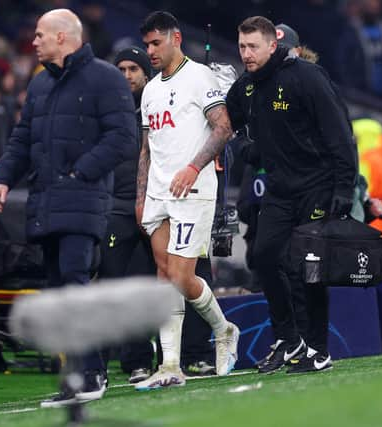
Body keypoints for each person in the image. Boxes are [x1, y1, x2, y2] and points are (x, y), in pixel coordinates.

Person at [0, 9, 136, 407]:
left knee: (74, 283)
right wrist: (2, 177)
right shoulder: (39, 86)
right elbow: (22, 138)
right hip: (45, 201)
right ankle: (75, 377)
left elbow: (124, 137)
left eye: (39, 35)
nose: (33, 42)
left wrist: (80, 173)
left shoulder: (105, 77)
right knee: (58, 291)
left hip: (84, 199)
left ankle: (91, 373)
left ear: (62, 37)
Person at [226, 16, 357, 374]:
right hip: (280, 190)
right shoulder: (246, 86)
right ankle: (289, 338)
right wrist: (245, 148)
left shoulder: (307, 77)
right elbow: (228, 122)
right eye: (241, 46)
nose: (246, 54)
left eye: (253, 47)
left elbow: (340, 135)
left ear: (272, 46)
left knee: (309, 269)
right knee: (263, 257)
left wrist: (345, 188)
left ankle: (318, 348)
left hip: (318, 186)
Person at [134, 11, 240, 391]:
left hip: (192, 189)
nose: (150, 51)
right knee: (164, 278)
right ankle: (171, 365)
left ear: (176, 38)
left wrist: (193, 168)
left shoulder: (199, 77)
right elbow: (146, 147)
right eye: (146, 44)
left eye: (155, 43)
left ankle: (223, 328)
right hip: (159, 192)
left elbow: (224, 127)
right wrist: (141, 195)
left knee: (181, 276)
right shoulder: (149, 89)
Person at [104, 46, 215, 384]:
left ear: (145, 72)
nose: (127, 76)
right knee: (136, 286)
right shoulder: (107, 110)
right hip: (125, 206)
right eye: (120, 69)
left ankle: (195, 355)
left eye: (133, 69)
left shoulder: (167, 99)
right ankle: (138, 359)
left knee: (188, 274)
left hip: (174, 199)